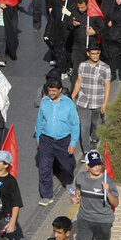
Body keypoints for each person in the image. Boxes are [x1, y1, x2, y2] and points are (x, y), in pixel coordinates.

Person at [69, 150, 118, 240]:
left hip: (103, 222)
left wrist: (107, 192)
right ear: (87, 166)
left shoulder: (107, 180)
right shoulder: (81, 177)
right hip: (85, 221)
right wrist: (75, 197)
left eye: (99, 165)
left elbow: (116, 202)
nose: (97, 168)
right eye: (94, 165)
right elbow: (77, 190)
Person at [33, 75, 80, 204]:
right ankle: (47, 195)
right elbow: (40, 121)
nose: (51, 93)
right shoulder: (44, 102)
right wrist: (38, 137)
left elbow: (75, 124)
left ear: (60, 90)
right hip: (46, 140)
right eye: (50, 90)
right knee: (44, 168)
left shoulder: (68, 103)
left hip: (64, 140)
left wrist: (72, 143)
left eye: (54, 91)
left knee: (68, 165)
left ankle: (69, 182)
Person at [70, 45, 112, 154]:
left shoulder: (105, 68)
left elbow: (107, 86)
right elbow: (79, 81)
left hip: (97, 102)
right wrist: (73, 96)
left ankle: (94, 138)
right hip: (83, 102)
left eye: (97, 53)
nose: (95, 56)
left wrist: (105, 103)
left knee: (97, 124)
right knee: (84, 127)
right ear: (88, 54)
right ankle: (86, 151)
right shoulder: (82, 66)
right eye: (92, 54)